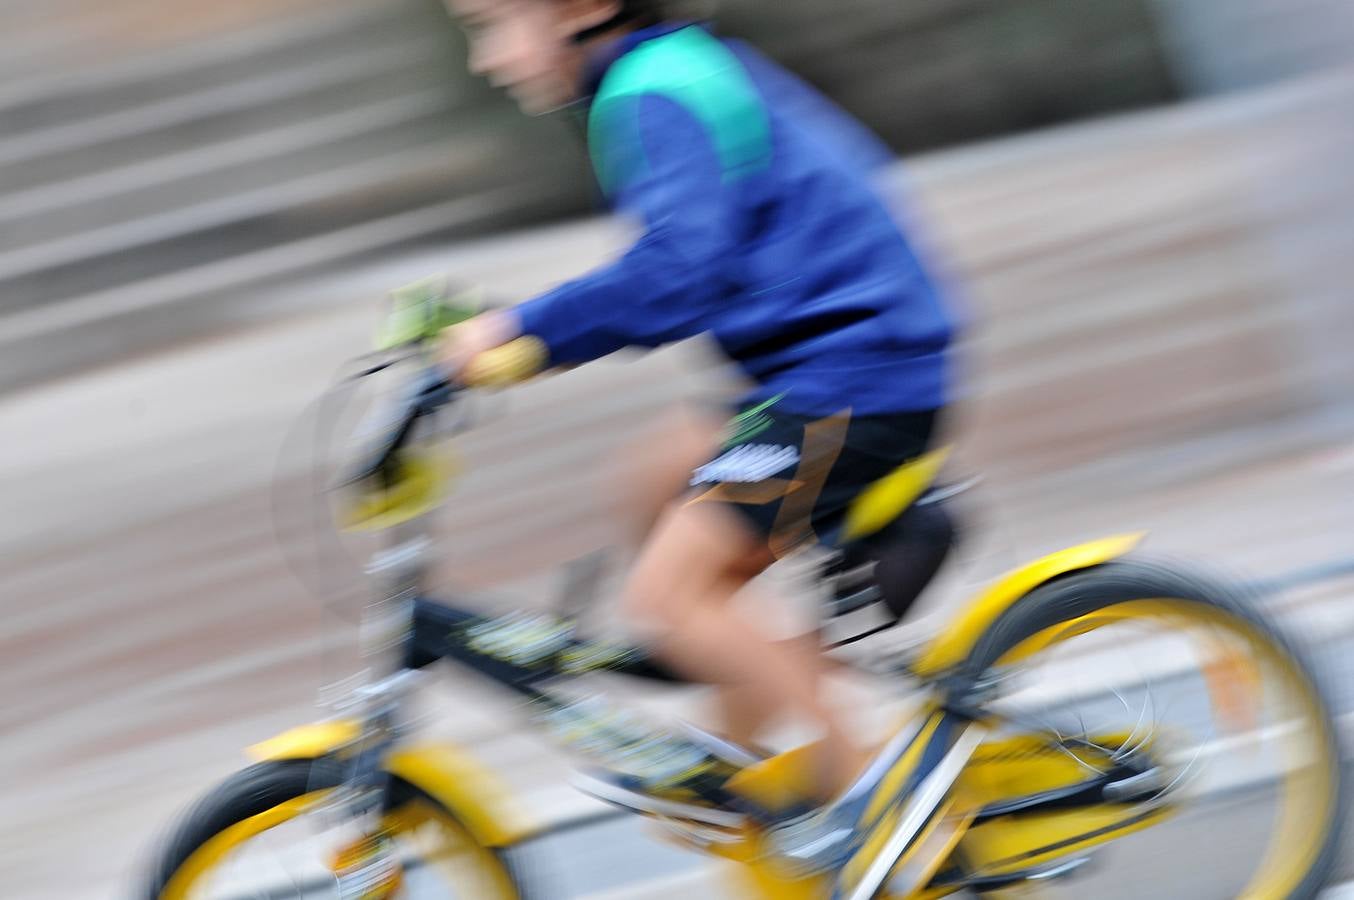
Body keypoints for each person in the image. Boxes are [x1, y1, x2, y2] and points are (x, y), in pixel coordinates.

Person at [439, 0, 958, 856]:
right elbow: (684, 272)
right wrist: (524, 338)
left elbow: (677, 274)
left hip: (854, 378)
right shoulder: (660, 70)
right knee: (651, 484)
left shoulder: (653, 90)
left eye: (495, 22)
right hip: (829, 370)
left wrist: (519, 330)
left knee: (667, 597)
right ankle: (744, 763)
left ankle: (872, 792)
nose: (487, 58)